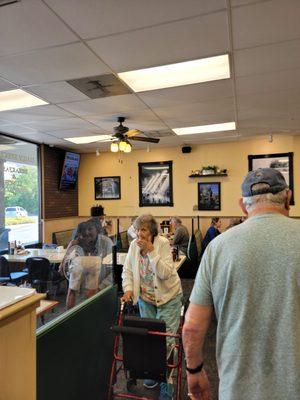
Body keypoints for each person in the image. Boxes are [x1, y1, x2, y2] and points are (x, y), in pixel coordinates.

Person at [182, 168, 300, 400]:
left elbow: (192, 326)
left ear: (243, 205)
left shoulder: (217, 248)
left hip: (237, 389)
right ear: (288, 197)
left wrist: (194, 371)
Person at [121, 214, 182, 400]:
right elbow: (128, 271)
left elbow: (165, 273)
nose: (140, 233)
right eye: (137, 229)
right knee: (149, 340)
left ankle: (166, 382)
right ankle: (152, 374)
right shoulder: (133, 246)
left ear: (152, 231)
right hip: (146, 299)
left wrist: (151, 251)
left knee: (166, 342)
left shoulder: (162, 243)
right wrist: (129, 289)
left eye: (144, 230)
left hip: (168, 298)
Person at [64, 219, 113, 309]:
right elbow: (67, 273)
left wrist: (99, 288)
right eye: (83, 231)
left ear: (97, 230)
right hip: (80, 296)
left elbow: (113, 273)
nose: (86, 232)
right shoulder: (77, 244)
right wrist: (70, 247)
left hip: (102, 294)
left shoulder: (106, 244)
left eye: (90, 229)